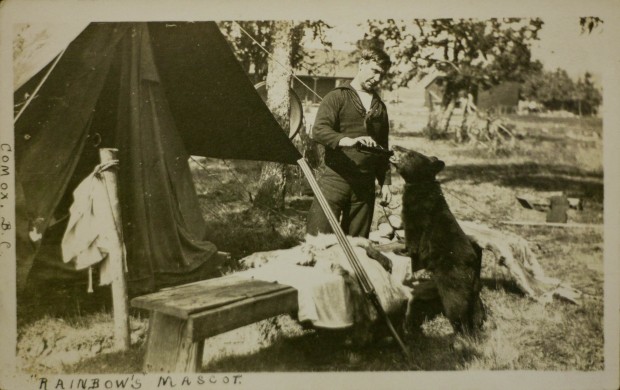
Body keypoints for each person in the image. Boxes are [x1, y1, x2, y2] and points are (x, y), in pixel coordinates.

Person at [306, 47, 392, 238]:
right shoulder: (337, 96)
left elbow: (383, 149)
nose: (378, 78)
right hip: (335, 180)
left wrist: (385, 182)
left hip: (364, 187)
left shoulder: (380, 107)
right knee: (317, 242)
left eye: (382, 74)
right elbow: (319, 130)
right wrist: (347, 141)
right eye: (375, 71)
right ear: (362, 64)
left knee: (358, 247)